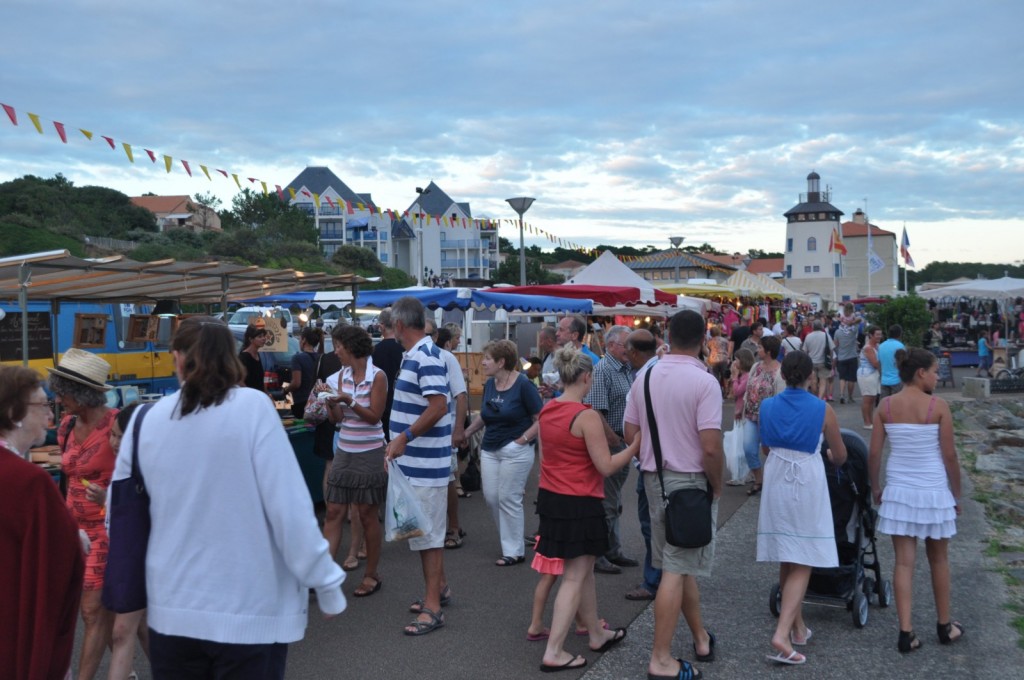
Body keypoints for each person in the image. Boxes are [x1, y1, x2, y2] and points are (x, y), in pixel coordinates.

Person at [112, 317, 345, 677]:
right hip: (249, 607)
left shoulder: (144, 420)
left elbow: (119, 516)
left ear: (177, 358)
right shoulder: (253, 408)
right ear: (230, 358)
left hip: (172, 609)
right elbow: (289, 508)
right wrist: (324, 580)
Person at [624, 310, 723, 680]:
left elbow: (630, 429)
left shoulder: (646, 374)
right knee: (675, 567)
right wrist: (716, 485)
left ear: (668, 333)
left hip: (654, 480)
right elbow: (711, 447)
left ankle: (699, 637)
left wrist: (653, 452)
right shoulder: (705, 382)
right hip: (690, 481)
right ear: (703, 340)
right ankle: (660, 659)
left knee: (678, 563)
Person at [536, 346, 638, 672]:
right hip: (580, 501)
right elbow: (606, 466)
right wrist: (635, 446)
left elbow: (545, 459)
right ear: (586, 377)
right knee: (575, 576)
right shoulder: (587, 416)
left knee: (584, 572)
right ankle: (554, 651)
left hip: (553, 499)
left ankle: (595, 632)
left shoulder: (549, 409)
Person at [868, 348, 963, 654]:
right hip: (933, 490)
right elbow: (949, 455)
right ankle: (945, 625)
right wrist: (956, 493)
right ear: (921, 373)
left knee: (904, 563)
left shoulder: (887, 405)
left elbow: (874, 454)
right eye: (935, 371)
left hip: (899, 490)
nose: (938, 376)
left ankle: (906, 632)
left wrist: (875, 487)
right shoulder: (938, 406)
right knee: (939, 559)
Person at [756, 351, 847, 665]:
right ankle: (783, 633)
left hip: (777, 476)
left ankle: (798, 628)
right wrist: (832, 459)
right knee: (804, 555)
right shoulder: (822, 409)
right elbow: (840, 453)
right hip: (806, 477)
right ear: (811, 377)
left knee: (787, 551)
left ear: (783, 375)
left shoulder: (767, 406)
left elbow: (765, 447)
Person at [0, 366, 85, 680]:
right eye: (42, 405)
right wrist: (77, 540)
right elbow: (58, 559)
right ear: (13, 412)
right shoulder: (29, 482)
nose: (50, 414)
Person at [384, 296, 453, 636]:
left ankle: (433, 607)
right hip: (418, 463)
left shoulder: (424, 357)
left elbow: (438, 406)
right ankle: (437, 591)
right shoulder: (419, 355)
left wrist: (403, 438)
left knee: (428, 535)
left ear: (399, 325)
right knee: (424, 533)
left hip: (425, 464)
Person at [50, 348, 119, 680]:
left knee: (92, 612)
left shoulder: (117, 425)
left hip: (106, 529)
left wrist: (109, 497)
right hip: (72, 530)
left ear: (83, 394)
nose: (59, 398)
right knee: (106, 615)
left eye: (64, 392)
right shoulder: (66, 425)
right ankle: (138, 668)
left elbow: (143, 478)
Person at [319, 324, 387, 599]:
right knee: (334, 511)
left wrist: (348, 400)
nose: (336, 352)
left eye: (339, 347)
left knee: (366, 513)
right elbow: (337, 419)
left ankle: (371, 574)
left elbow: (374, 417)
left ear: (352, 348)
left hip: (370, 451)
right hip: (345, 449)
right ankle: (324, 574)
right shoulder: (339, 376)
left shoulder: (377, 376)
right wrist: (330, 402)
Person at [464, 339, 543, 565]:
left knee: (509, 497)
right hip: (490, 448)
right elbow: (486, 415)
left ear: (501, 362)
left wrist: (521, 440)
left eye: (487, 358)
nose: (483, 362)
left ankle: (513, 550)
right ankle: (511, 540)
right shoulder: (490, 384)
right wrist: (467, 432)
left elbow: (541, 418)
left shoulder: (524, 385)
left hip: (515, 450)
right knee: (491, 497)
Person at [582, 325, 639, 575]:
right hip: (610, 442)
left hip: (620, 441)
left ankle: (613, 550)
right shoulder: (603, 370)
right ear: (610, 346)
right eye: (625, 344)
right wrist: (615, 440)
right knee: (606, 501)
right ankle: (600, 554)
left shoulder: (626, 369)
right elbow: (594, 410)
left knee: (614, 500)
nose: (629, 349)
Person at [621, 329, 662, 601]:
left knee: (652, 524)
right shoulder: (663, 371)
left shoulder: (644, 378)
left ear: (635, 353)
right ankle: (667, 576)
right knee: (666, 525)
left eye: (627, 352)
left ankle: (654, 580)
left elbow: (630, 429)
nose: (625, 358)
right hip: (674, 462)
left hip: (651, 462)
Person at [426, 320, 469, 550]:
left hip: (444, 431)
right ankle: (434, 526)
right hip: (421, 434)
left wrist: (459, 429)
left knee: (448, 479)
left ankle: (453, 527)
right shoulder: (411, 357)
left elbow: (460, 395)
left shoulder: (446, 357)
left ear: (435, 336)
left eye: (428, 334)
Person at [741, 335, 785, 497]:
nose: (757, 350)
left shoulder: (780, 372)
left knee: (771, 451)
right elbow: (748, 388)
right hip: (751, 415)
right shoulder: (756, 367)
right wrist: (742, 407)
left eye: (760, 348)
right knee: (748, 448)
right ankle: (758, 479)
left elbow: (780, 398)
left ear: (768, 351)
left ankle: (773, 480)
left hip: (768, 419)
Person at [371, 308, 404, 440]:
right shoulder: (406, 349)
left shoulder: (374, 352)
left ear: (381, 326)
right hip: (403, 407)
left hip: (381, 408)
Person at [725, 348, 756, 486]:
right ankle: (747, 473)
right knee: (741, 445)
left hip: (742, 413)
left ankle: (740, 475)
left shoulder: (747, 376)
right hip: (741, 412)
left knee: (740, 446)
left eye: (736, 359)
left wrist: (734, 376)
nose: (734, 362)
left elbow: (737, 392)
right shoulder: (744, 376)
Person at [283, 327, 323, 417]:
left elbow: (296, 383)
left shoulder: (297, 358)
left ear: (304, 340)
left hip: (301, 401)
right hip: (317, 401)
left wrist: (285, 390)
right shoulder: (321, 357)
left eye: (300, 339)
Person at [858, 325, 883, 429]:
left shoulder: (877, 346)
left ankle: (870, 421)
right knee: (867, 398)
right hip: (867, 374)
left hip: (873, 374)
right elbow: (875, 364)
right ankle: (867, 422)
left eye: (880, 334)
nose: (879, 336)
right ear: (871, 335)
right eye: (877, 334)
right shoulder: (868, 348)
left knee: (872, 398)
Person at [801, 320, 832, 400]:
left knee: (813, 381)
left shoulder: (809, 336)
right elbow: (831, 349)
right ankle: (820, 398)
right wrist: (830, 360)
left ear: (813, 327)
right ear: (821, 326)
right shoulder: (826, 335)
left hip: (811, 362)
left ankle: (815, 397)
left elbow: (805, 350)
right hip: (823, 362)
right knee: (823, 381)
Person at [833, 320, 860, 404]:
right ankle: (850, 397)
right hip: (852, 357)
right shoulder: (853, 330)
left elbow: (835, 344)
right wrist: (852, 321)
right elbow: (858, 320)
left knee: (842, 378)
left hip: (841, 357)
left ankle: (841, 395)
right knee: (851, 379)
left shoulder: (837, 332)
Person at [238, 323, 269, 391]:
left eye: (264, 336)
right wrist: (252, 395)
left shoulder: (257, 355)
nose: (263, 338)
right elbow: (240, 382)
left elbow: (260, 381)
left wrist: (266, 394)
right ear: (251, 339)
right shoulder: (244, 357)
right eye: (260, 336)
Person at [878, 324, 906, 397]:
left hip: (884, 380)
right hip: (897, 380)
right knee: (896, 405)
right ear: (900, 334)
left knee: (885, 405)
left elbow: (879, 364)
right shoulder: (900, 346)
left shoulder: (881, 346)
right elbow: (903, 363)